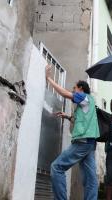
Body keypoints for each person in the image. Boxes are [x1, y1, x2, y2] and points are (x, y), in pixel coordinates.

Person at [45, 65, 99, 200]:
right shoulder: (88, 102)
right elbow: (83, 121)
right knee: (90, 179)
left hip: (83, 142)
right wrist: (68, 116)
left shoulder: (84, 97)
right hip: (90, 143)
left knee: (57, 167)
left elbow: (64, 94)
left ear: (81, 89)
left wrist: (49, 79)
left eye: (74, 88)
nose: (73, 90)